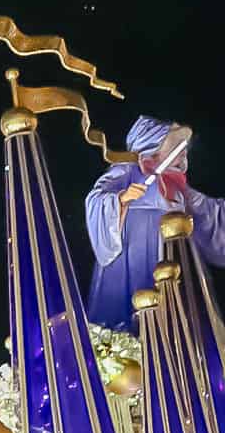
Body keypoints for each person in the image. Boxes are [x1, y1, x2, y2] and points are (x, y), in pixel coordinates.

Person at [85, 116, 224, 328]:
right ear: (153, 148)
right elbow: (96, 199)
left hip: (175, 255)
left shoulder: (178, 186)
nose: (183, 152)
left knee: (178, 316)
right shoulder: (128, 171)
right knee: (135, 309)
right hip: (134, 251)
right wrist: (121, 199)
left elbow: (209, 212)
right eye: (175, 146)